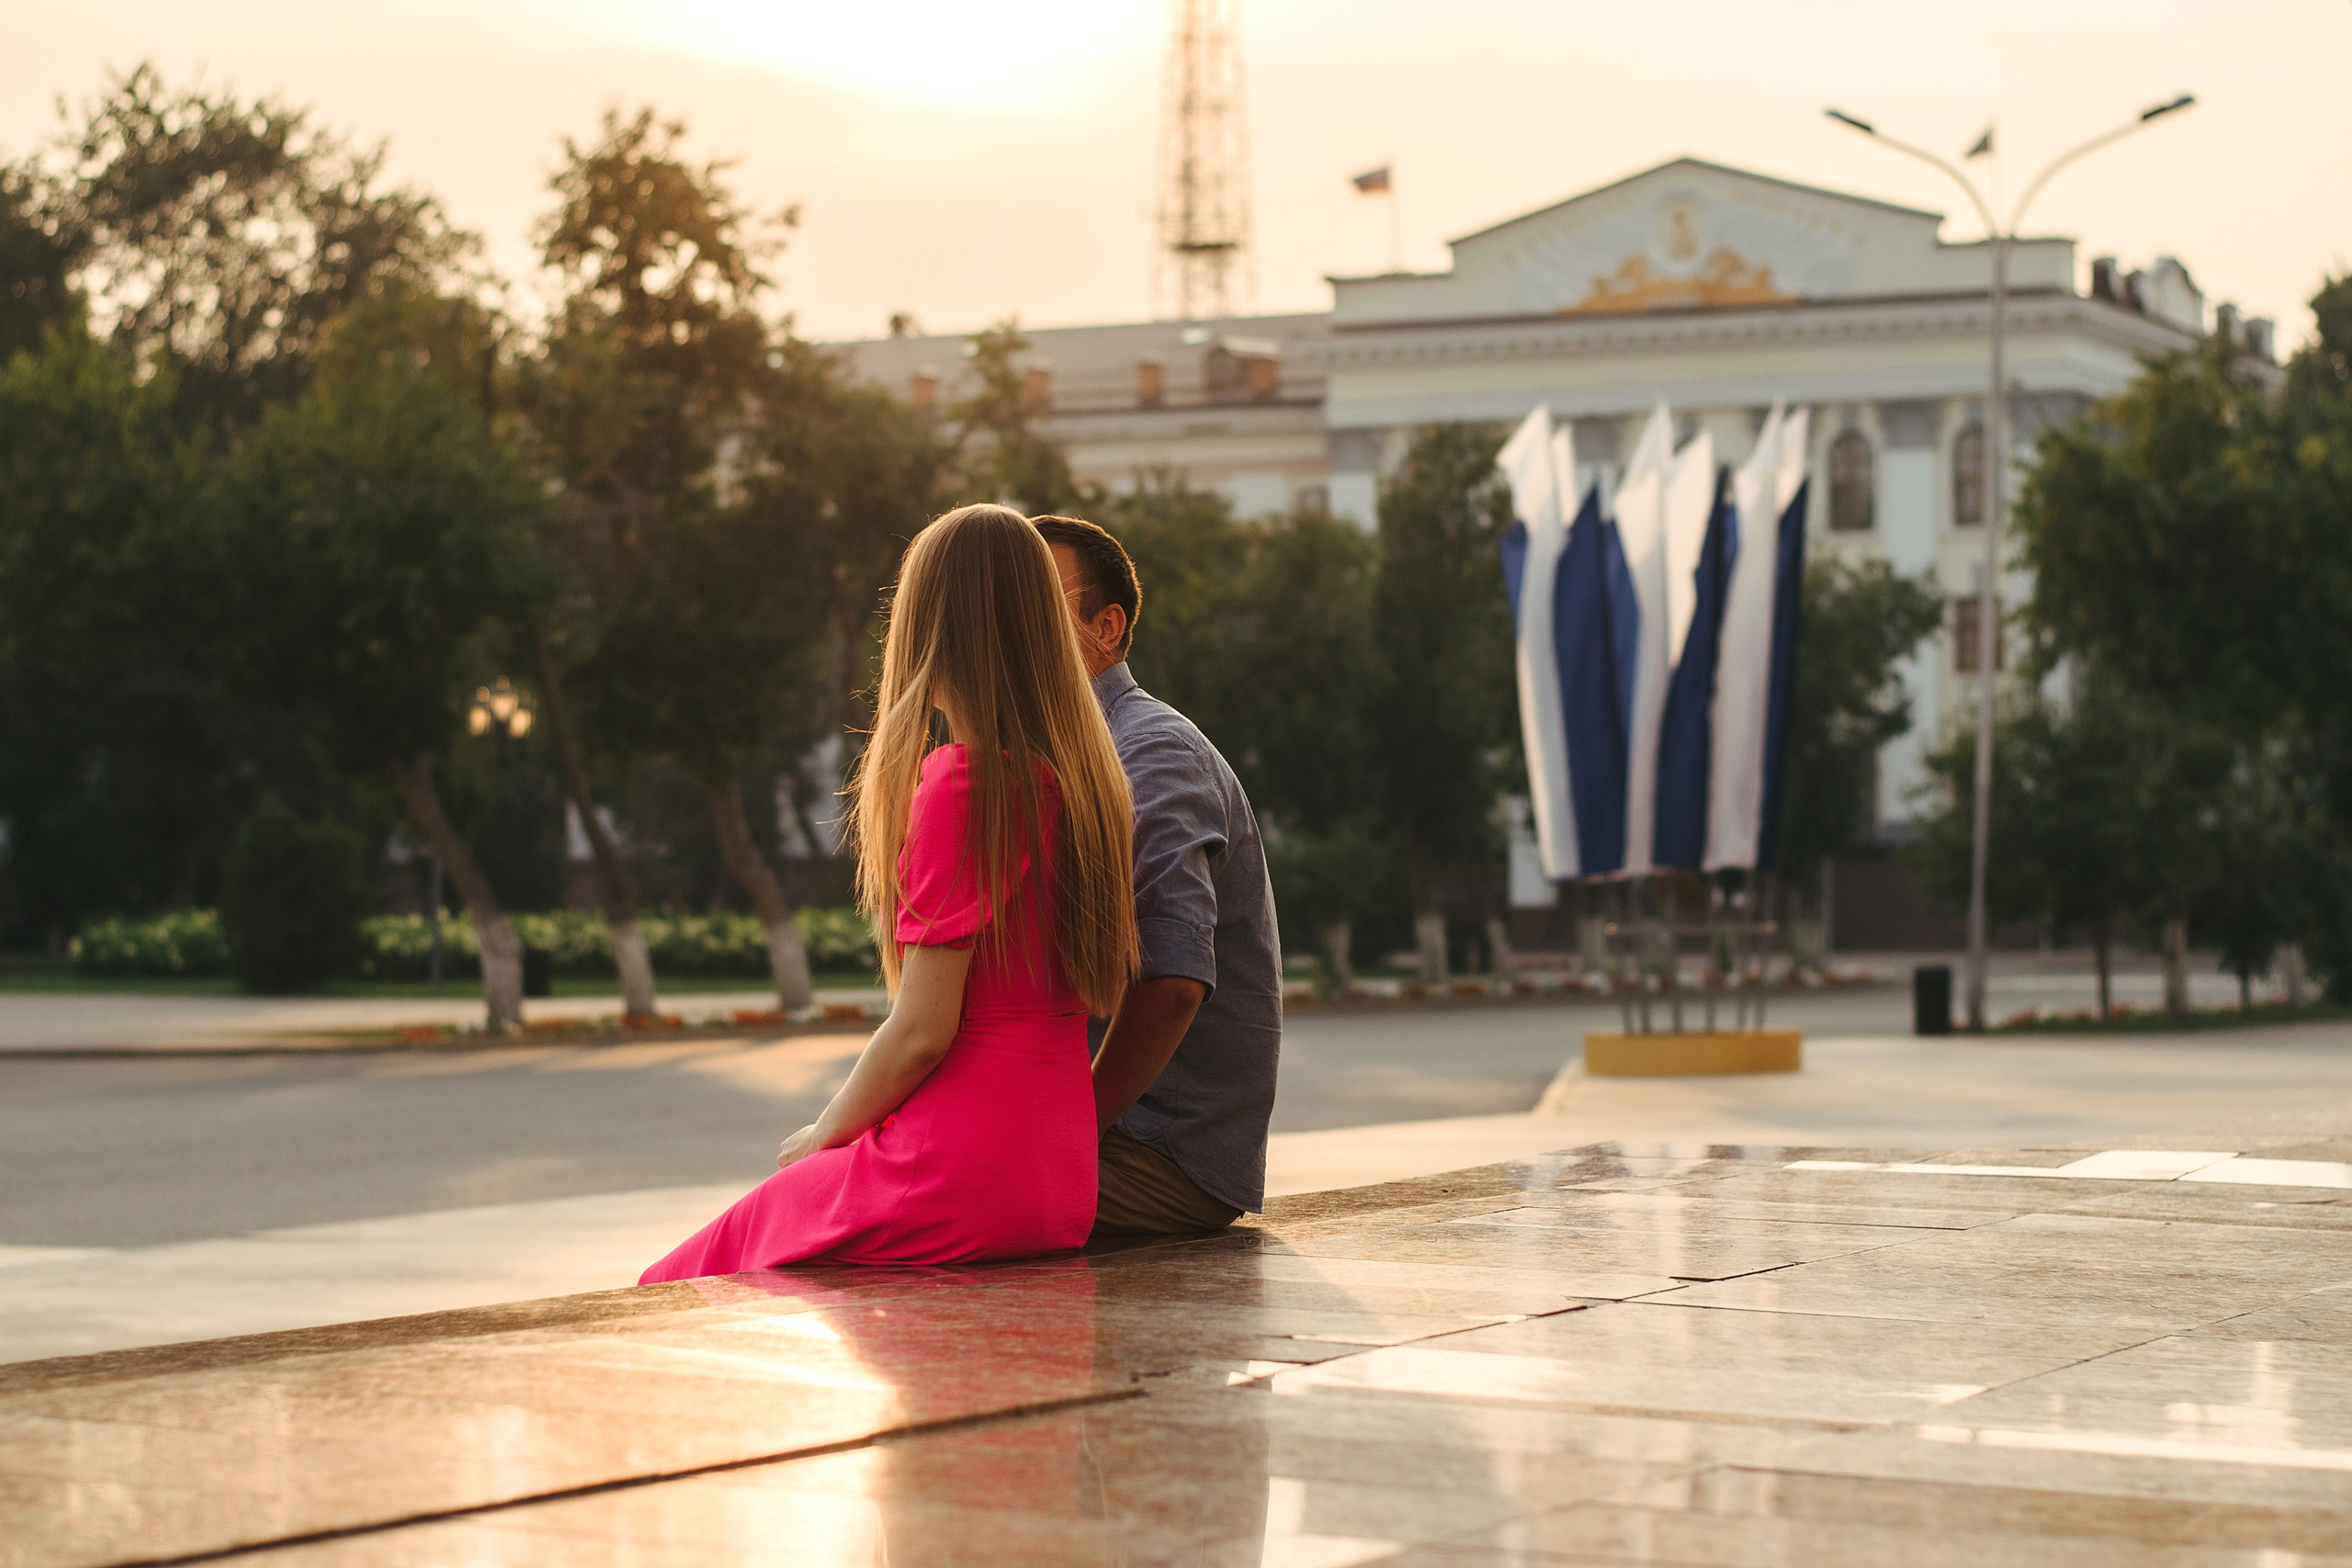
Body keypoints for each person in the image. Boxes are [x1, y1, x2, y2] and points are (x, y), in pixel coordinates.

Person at [639, 505, 1138, 1278]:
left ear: (930, 629)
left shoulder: (965, 785)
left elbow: (922, 1032)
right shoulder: (1086, 785)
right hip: (1059, 1176)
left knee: (679, 1277)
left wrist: (825, 1134)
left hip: (963, 1166)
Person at [1031, 515, 1282, 1238]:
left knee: (902, 1215)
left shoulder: (1150, 754)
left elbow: (1172, 984)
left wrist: (1061, 1134)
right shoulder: (1066, 755)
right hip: (1109, 1133)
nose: (1011, 624)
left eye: (1037, 601)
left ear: (1105, 626)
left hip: (1160, 1154)